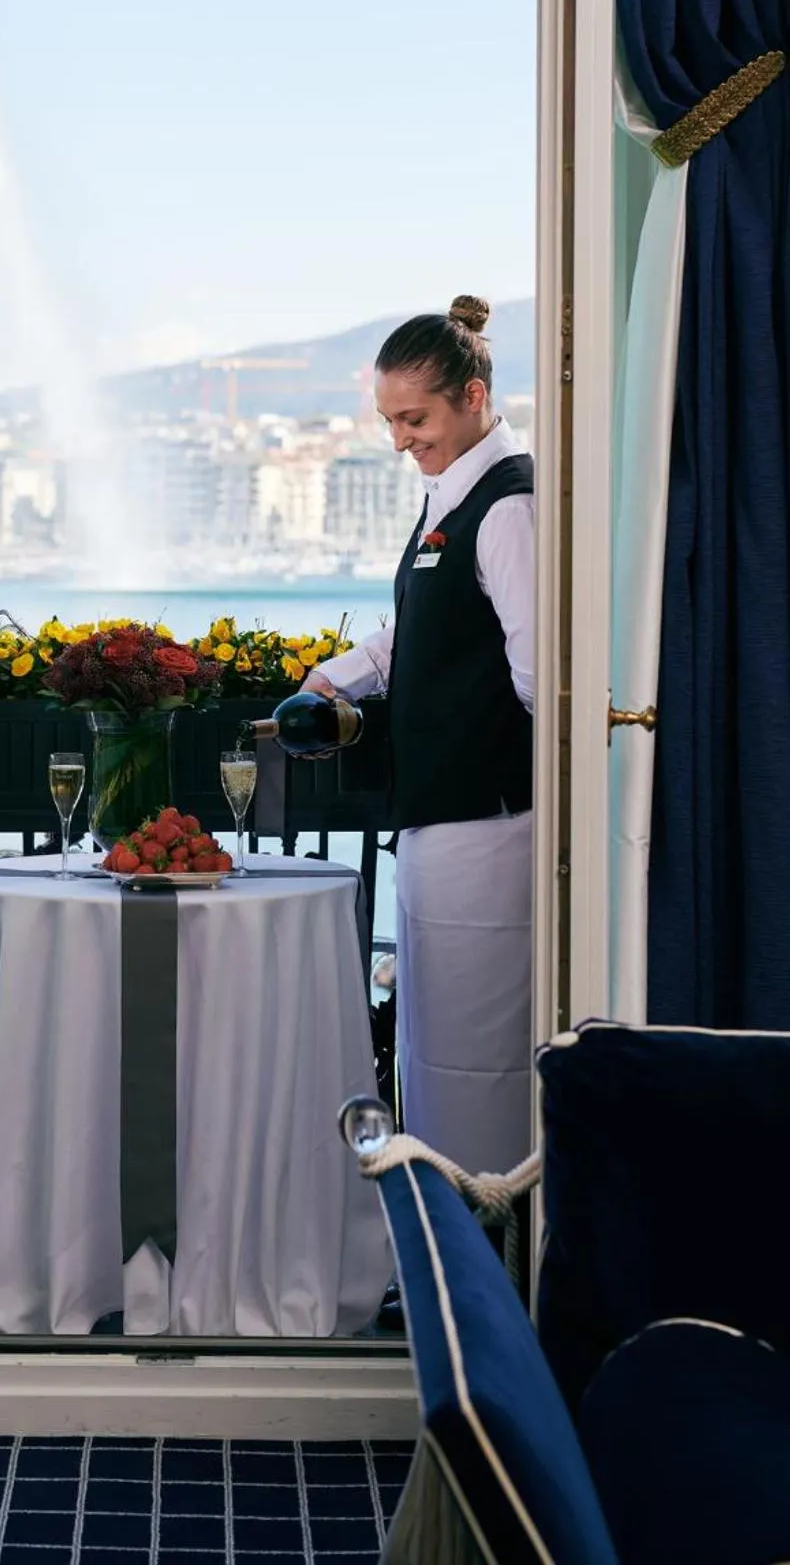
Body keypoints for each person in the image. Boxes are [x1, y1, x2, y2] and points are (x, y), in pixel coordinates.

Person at [308, 294, 533, 1177]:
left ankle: (482, 1226)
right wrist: (340, 675)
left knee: (477, 1051)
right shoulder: (455, 494)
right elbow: (426, 630)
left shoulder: (507, 508)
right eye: (389, 422)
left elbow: (534, 679)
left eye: (414, 419)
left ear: (472, 397)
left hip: (487, 822)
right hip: (441, 820)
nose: (400, 440)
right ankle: (438, 1217)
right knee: (434, 1041)